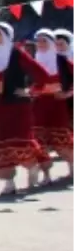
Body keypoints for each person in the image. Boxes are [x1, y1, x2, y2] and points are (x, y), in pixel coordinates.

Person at [0, 22, 53, 196]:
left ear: (8, 36)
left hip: (18, 106)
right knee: (0, 145)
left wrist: (29, 91)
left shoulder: (17, 54)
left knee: (21, 141)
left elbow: (42, 75)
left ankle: (33, 167)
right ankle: (8, 182)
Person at [30, 29, 72, 179]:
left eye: (44, 41)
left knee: (61, 139)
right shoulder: (33, 62)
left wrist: (68, 93)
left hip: (58, 105)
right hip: (40, 105)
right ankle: (46, 174)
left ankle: (72, 166)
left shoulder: (62, 60)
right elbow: (30, 84)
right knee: (39, 140)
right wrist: (32, 91)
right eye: (38, 41)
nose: (40, 44)